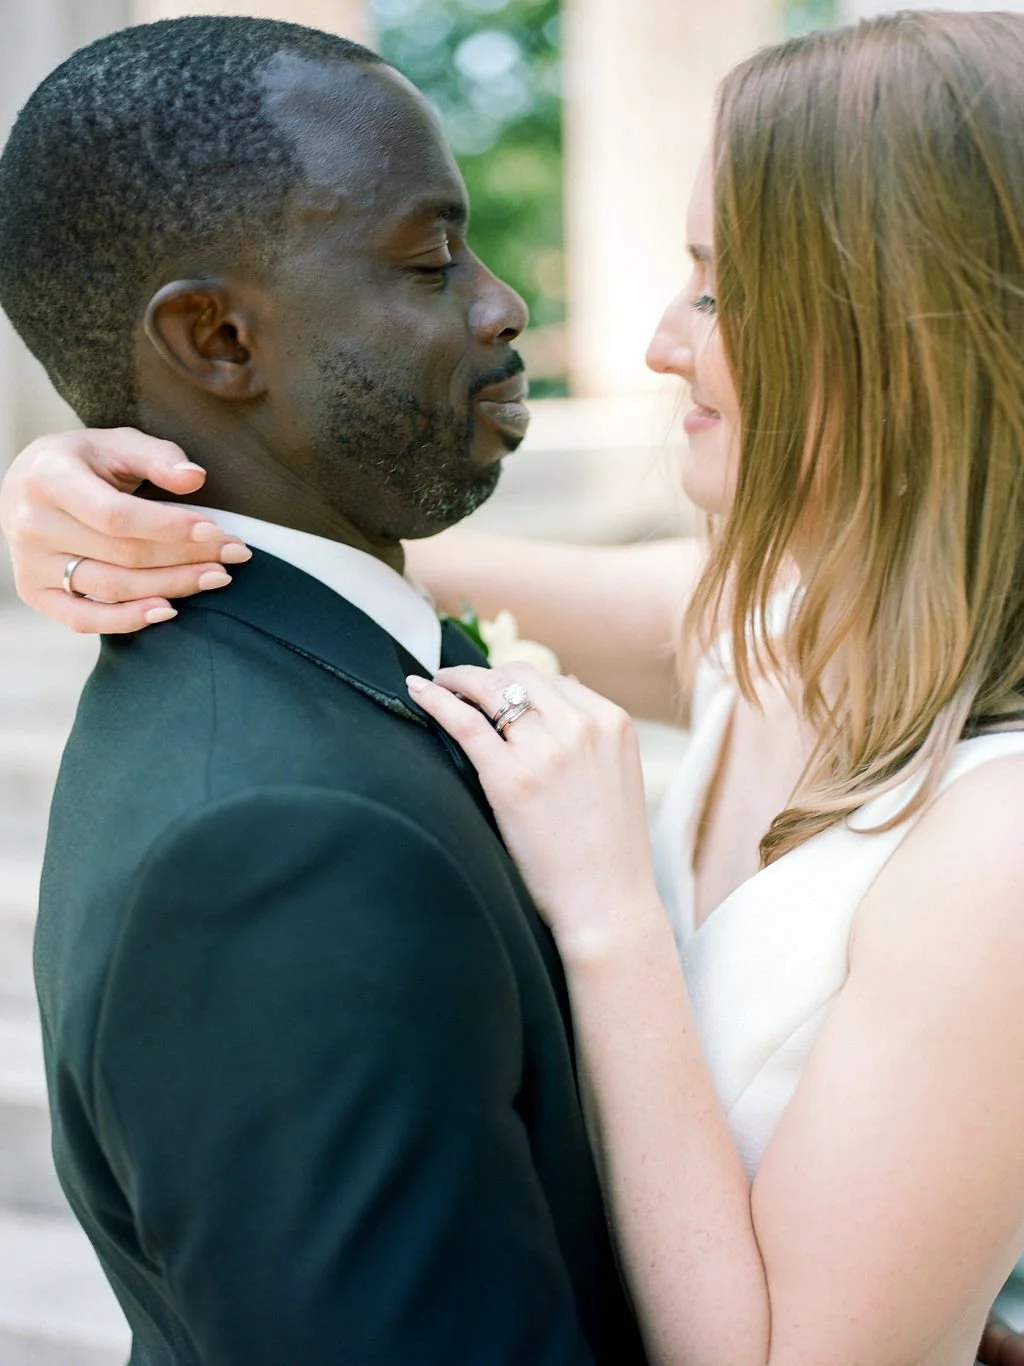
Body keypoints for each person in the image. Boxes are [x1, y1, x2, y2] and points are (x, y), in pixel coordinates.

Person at [3, 11, 1024, 1366]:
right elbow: (384, 566)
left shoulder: (995, 854)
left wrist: (610, 915)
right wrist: (150, 499)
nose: (660, 344)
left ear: (898, 336)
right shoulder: (782, 625)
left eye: (718, 292)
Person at [0, 17, 646, 1364]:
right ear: (220, 336)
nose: (501, 301)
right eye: (428, 257)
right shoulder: (284, 850)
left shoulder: (320, 679)